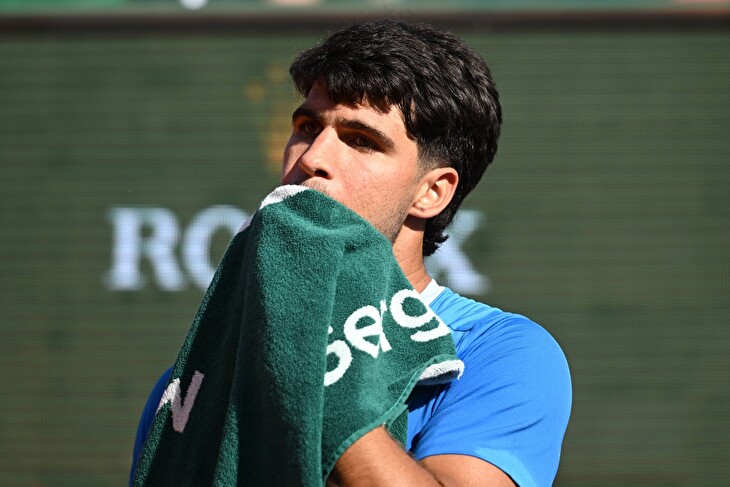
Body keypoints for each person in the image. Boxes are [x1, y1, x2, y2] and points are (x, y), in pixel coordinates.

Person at [131, 19, 571, 486]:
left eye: (361, 140)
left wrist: (306, 365)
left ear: (431, 192)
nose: (312, 158)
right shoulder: (192, 382)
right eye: (307, 127)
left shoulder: (502, 354)